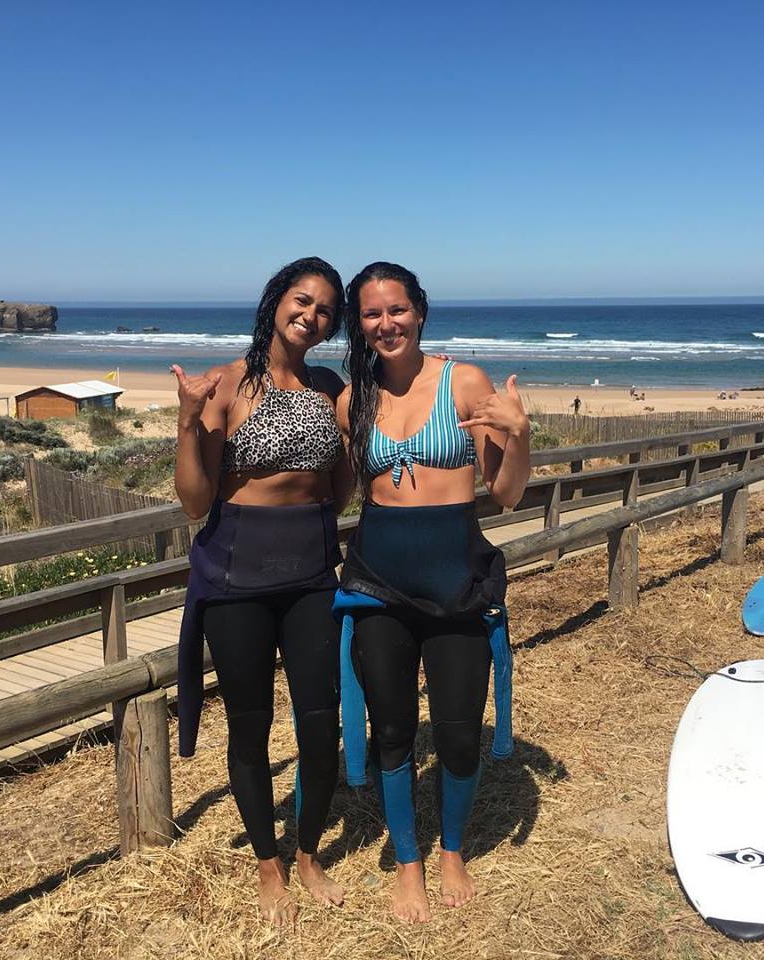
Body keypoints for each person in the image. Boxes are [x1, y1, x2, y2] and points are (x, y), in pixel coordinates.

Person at [334, 262, 530, 923]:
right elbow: (333, 489)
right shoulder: (352, 400)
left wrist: (520, 436)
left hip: (457, 583)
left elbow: (504, 492)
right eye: (370, 313)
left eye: (397, 310)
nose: (385, 323)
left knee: (456, 732)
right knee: (392, 730)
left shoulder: (462, 381)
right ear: (359, 325)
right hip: (378, 585)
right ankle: (410, 863)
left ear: (419, 312)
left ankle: (452, 851)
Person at [173, 257, 350, 926]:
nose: (313, 314)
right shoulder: (224, 386)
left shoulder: (330, 386)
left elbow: (340, 486)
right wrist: (188, 423)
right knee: (250, 727)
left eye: (327, 308)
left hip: (310, 572)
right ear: (276, 301)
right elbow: (194, 501)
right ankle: (268, 865)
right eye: (302, 299)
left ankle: (307, 853)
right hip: (236, 575)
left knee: (321, 721)